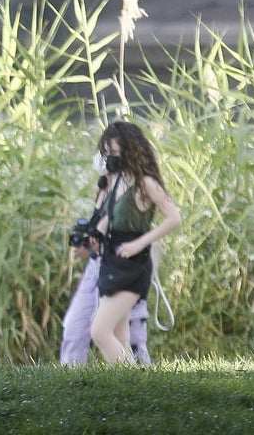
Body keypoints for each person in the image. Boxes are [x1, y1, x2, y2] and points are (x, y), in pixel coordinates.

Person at [89, 120, 181, 364]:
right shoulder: (117, 181)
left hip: (133, 264)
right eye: (108, 153)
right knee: (120, 334)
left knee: (99, 331)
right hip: (112, 258)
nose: (111, 159)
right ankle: (130, 387)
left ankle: (136, 380)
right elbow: (111, 216)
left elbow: (174, 218)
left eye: (116, 153)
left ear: (129, 151)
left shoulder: (146, 184)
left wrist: (140, 244)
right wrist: (96, 233)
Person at [61, 175, 151, 365]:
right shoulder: (104, 186)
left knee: (131, 338)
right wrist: (89, 244)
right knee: (73, 329)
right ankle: (71, 381)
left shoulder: (136, 184)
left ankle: (139, 381)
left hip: (124, 267)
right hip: (97, 266)